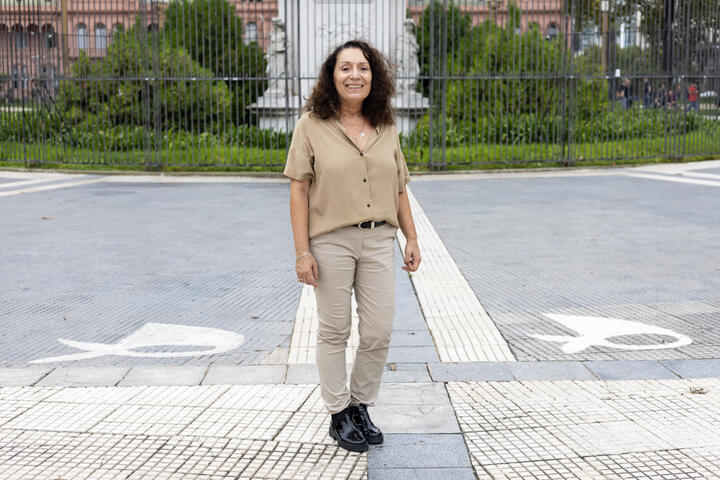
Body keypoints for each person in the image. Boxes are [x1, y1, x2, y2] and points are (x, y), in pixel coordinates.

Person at [284, 40, 421, 453]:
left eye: (362, 68)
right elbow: (298, 191)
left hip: (380, 239)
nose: (354, 75)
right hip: (331, 242)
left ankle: (360, 404)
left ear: (373, 76)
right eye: (345, 68)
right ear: (332, 76)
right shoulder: (311, 124)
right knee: (334, 329)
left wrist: (411, 237)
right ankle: (338, 411)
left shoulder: (385, 124)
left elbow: (399, 187)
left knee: (379, 330)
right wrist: (302, 251)